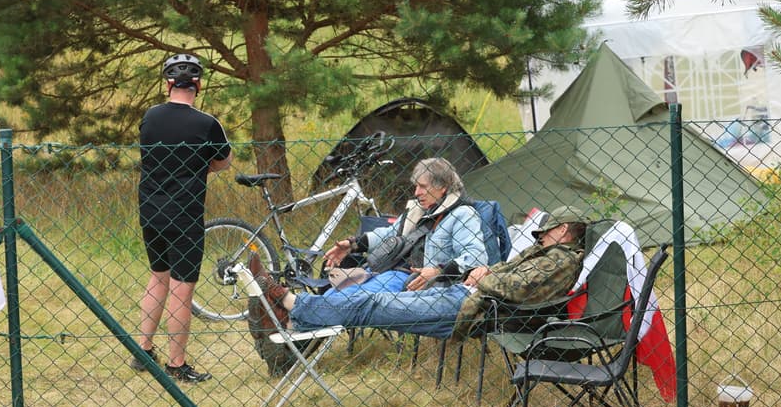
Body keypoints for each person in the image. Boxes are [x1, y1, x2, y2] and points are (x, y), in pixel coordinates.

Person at [244, 206, 589, 370]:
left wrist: (484, 275)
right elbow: (511, 277)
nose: (540, 235)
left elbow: (519, 287)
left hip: (473, 310)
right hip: (465, 296)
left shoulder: (561, 260)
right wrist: (487, 271)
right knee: (370, 300)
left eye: (547, 230)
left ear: (565, 230)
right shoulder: (551, 255)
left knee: (373, 304)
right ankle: (291, 324)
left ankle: (291, 305)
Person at [133, 53, 232, 383]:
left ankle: (143, 350)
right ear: (199, 85)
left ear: (168, 84)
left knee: (157, 276)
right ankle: (177, 364)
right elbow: (223, 162)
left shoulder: (150, 116)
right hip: (185, 216)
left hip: (150, 210)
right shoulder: (207, 124)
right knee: (181, 290)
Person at [322, 157, 488, 295]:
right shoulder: (418, 210)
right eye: (416, 186)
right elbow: (388, 234)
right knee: (332, 293)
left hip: (412, 282)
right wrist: (353, 245)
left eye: (423, 187)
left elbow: (475, 256)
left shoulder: (463, 214)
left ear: (442, 187)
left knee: (348, 298)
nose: (416, 193)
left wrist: (438, 272)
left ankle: (299, 312)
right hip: (385, 271)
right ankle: (300, 315)